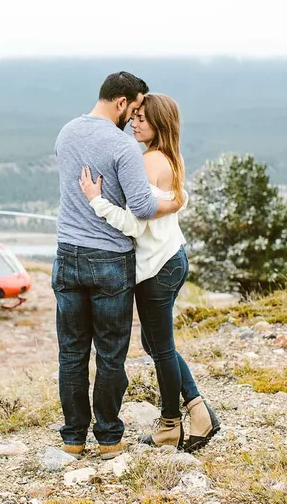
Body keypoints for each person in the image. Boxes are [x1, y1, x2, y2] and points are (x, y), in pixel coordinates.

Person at [53, 72, 184, 460]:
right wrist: (178, 202)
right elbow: (143, 207)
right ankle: (109, 438)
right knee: (110, 354)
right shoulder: (123, 147)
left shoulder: (66, 133)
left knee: (72, 353)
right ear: (123, 102)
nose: (134, 117)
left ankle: (73, 438)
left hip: (67, 255)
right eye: (135, 107)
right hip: (109, 259)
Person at [79, 93, 220, 452]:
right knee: (157, 344)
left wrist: (97, 201)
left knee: (161, 347)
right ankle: (196, 412)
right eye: (135, 116)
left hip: (156, 267)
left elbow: (137, 224)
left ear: (160, 124)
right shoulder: (171, 157)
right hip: (172, 258)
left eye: (143, 118)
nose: (134, 122)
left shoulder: (148, 161)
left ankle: (173, 423)